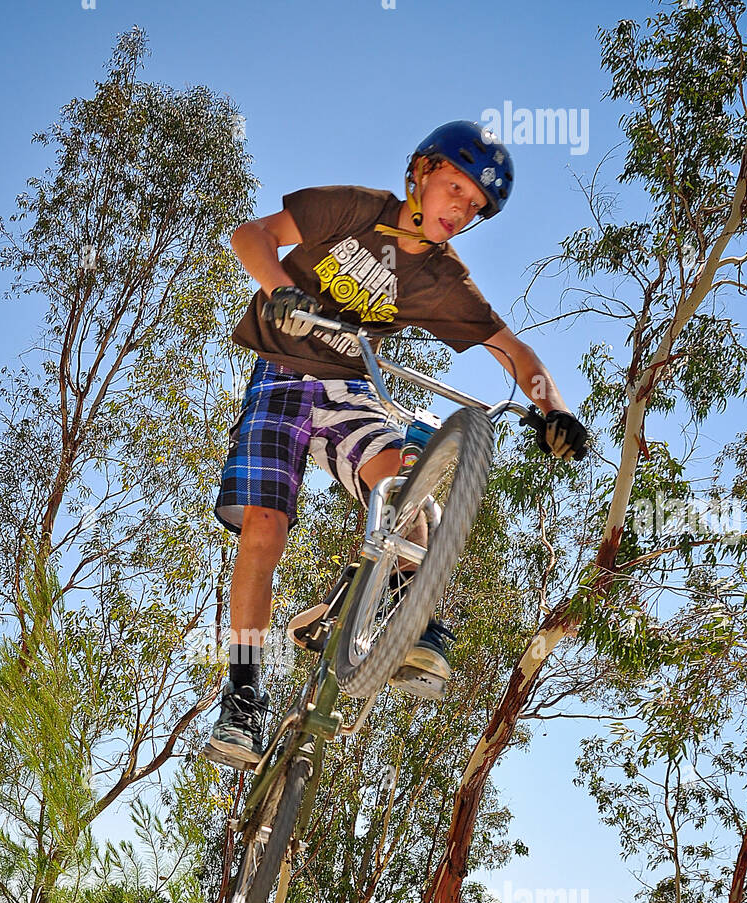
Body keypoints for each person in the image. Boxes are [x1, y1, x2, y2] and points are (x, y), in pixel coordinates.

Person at [205, 120, 588, 770]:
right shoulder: (354, 209)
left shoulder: (440, 278)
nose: (460, 211)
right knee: (265, 529)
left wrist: (552, 407)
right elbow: (252, 235)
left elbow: (512, 350)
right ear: (420, 171)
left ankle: (395, 605)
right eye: (454, 189)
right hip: (282, 376)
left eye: (474, 208)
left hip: (353, 388)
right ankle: (244, 695)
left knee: (406, 490)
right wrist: (279, 290)